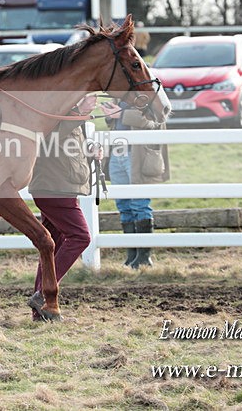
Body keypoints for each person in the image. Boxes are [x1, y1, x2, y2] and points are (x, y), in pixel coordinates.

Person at [27, 95, 102, 321]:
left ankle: (39, 309)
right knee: (81, 237)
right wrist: (80, 111)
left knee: (52, 247)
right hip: (54, 189)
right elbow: (49, 142)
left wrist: (89, 155)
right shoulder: (56, 112)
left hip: (58, 188)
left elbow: (64, 150)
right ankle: (43, 294)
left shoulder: (67, 115)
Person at [101, 101, 169, 269]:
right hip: (117, 155)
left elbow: (154, 121)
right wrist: (111, 115)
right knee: (123, 205)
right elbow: (116, 123)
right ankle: (132, 255)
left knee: (139, 203)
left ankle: (144, 257)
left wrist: (121, 114)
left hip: (136, 155)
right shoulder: (119, 93)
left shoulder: (147, 92)